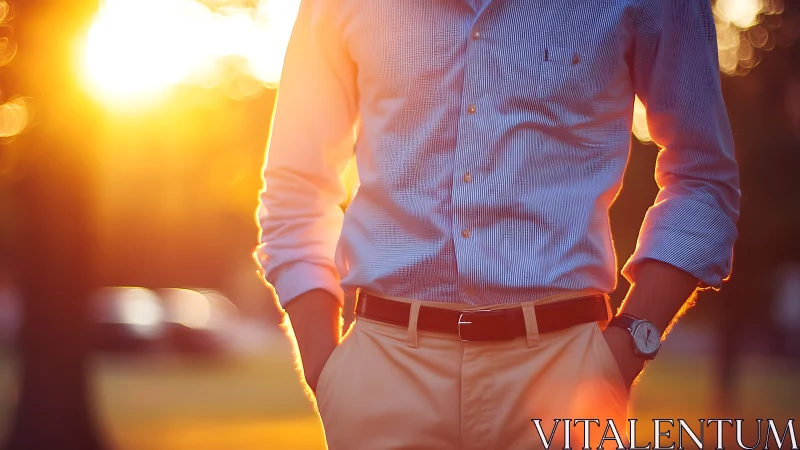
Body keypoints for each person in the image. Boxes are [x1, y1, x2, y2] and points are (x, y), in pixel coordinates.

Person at [255, 0, 740, 448]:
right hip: (384, 372)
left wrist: (628, 344)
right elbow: (296, 184)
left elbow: (703, 178)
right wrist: (326, 367)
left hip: (564, 374)